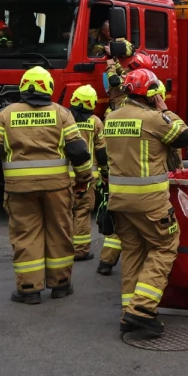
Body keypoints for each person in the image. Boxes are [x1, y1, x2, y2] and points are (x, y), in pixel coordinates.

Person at [0, 66, 95, 304]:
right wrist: (83, 179)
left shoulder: (5, 115)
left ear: (22, 87)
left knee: (26, 235)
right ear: (49, 87)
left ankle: (29, 289)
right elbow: (79, 151)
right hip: (58, 189)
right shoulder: (62, 114)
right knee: (60, 232)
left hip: (20, 190)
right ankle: (60, 284)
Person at [103, 68, 188, 337]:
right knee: (165, 246)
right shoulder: (154, 119)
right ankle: (141, 311)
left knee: (132, 252)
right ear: (152, 94)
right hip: (150, 203)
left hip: (119, 203)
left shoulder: (111, 117)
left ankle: (128, 310)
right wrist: (165, 109)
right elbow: (184, 135)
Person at [97, 51, 154, 276]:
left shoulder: (124, 87)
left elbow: (114, 79)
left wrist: (112, 64)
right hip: (140, 171)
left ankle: (106, 261)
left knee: (119, 218)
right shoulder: (145, 87)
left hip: (118, 164)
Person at [68, 85, 106, 262]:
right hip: (86, 177)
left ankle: (61, 248)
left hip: (62, 176)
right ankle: (80, 250)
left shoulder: (64, 120)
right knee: (82, 212)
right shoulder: (95, 122)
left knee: (63, 212)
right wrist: (105, 174)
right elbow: (101, 151)